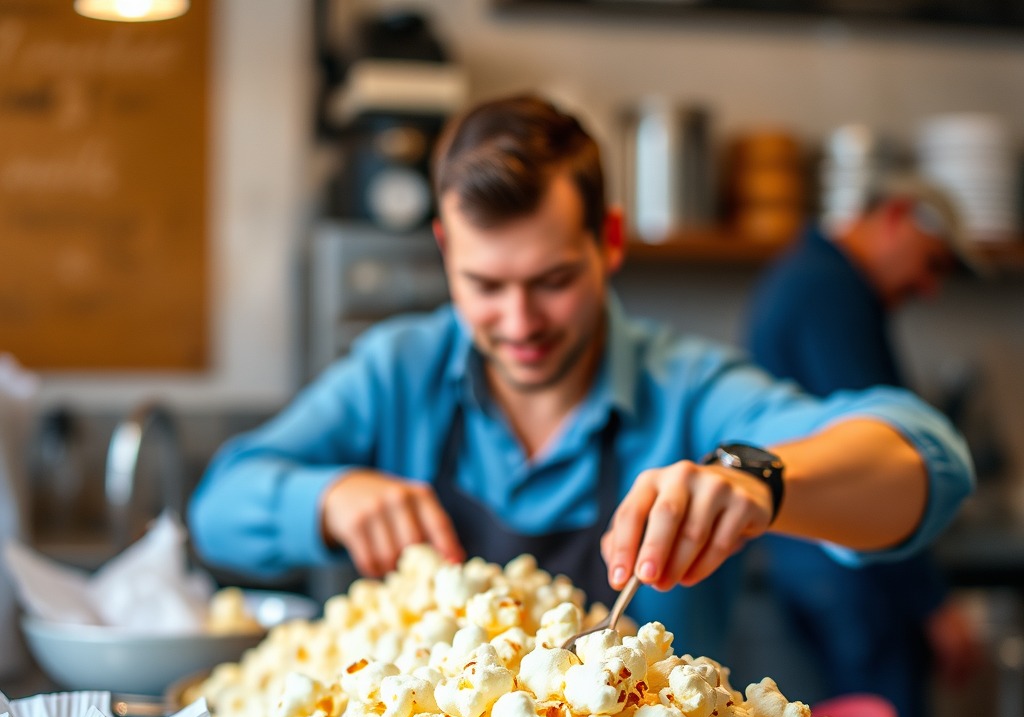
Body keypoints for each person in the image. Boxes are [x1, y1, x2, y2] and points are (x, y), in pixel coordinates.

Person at [188, 95, 973, 675]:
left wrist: (761, 483)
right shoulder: (398, 371)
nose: (520, 321)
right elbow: (217, 506)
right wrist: (330, 499)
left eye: (554, 279)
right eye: (485, 285)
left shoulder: (689, 390)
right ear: (443, 252)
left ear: (611, 243)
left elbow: (929, 462)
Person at [744, 174, 984, 717]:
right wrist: (933, 603)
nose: (930, 287)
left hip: (807, 568)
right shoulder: (832, 291)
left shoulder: (801, 275)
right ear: (896, 217)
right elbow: (880, 467)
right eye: (931, 264)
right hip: (851, 573)